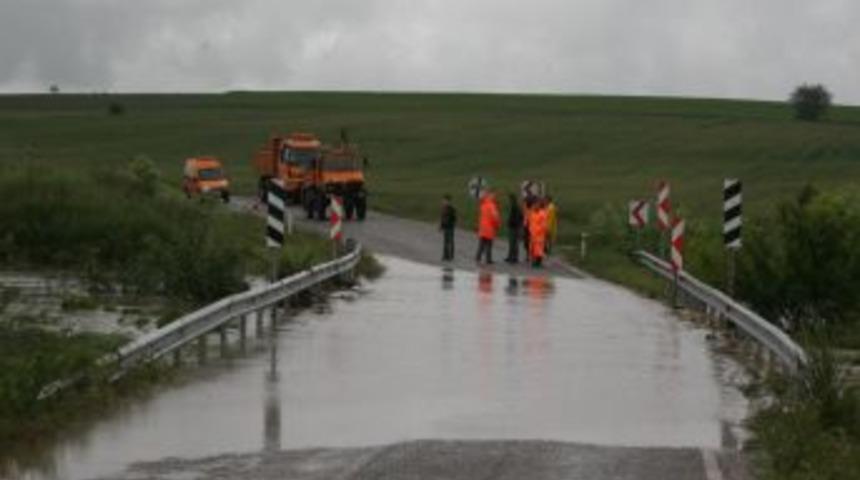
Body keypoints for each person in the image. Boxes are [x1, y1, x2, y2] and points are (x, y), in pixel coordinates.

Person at [475, 190, 500, 264]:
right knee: (489, 244)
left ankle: (478, 257)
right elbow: (495, 217)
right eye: (494, 195)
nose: (495, 197)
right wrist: (497, 225)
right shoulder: (492, 205)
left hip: (482, 228)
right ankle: (488, 259)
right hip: (489, 228)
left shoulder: (483, 205)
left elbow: (481, 217)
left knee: (481, 244)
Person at [528, 198, 549, 268]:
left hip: (539, 235)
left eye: (536, 205)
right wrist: (531, 230)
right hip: (533, 234)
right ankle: (535, 261)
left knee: (539, 249)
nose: (534, 206)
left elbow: (544, 225)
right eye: (534, 205)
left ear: (539, 205)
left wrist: (536, 231)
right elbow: (531, 223)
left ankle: (538, 262)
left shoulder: (542, 214)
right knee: (533, 249)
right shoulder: (533, 213)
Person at [505, 192, 523, 263]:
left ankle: (514, 257)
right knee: (513, 243)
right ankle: (511, 256)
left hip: (514, 227)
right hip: (515, 226)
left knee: (513, 243)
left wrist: (511, 223)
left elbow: (517, 217)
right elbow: (521, 217)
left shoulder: (514, 207)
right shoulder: (516, 206)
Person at [439, 194, 457, 261]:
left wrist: (452, 224)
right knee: (445, 242)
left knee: (450, 242)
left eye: (445, 200)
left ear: (448, 201)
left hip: (450, 227)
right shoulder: (443, 208)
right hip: (445, 227)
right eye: (443, 200)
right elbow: (442, 218)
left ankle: (450, 256)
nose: (443, 202)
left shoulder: (452, 208)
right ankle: (445, 255)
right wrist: (441, 226)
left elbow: (454, 218)